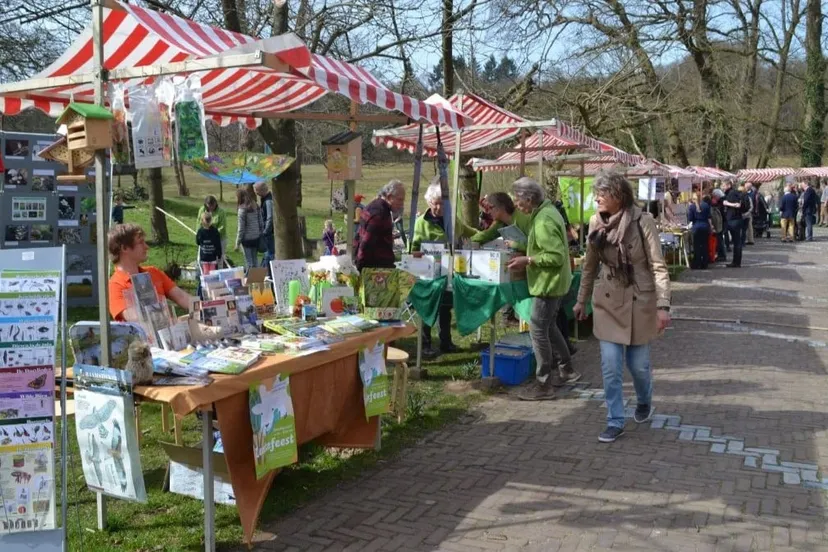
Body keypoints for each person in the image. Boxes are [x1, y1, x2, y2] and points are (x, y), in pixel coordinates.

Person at [573, 172, 671, 443]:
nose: (597, 199)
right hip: (607, 300)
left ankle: (644, 400)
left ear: (618, 195)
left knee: (639, 367)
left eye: (602, 194)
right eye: (596, 194)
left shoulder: (643, 221)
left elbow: (658, 266)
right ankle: (615, 420)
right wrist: (581, 300)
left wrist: (663, 305)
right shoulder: (595, 222)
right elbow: (589, 267)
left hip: (641, 300)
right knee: (611, 366)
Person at [506, 177, 580, 401]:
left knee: (537, 329)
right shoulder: (546, 212)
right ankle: (567, 369)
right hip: (555, 282)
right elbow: (544, 244)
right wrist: (520, 246)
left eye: (518, 201)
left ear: (529, 199)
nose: (517, 206)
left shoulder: (543, 220)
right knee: (548, 327)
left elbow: (555, 256)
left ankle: (543, 383)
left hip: (549, 283)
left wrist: (527, 260)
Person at [410, 181, 458, 357]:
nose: (439, 207)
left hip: (447, 271)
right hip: (427, 273)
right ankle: (425, 345)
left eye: (442, 203)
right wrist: (417, 253)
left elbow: (467, 231)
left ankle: (446, 341)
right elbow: (412, 247)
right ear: (429, 203)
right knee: (427, 308)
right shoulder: (421, 223)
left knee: (445, 308)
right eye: (435, 203)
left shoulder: (451, 219)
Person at [108, 223, 193, 321]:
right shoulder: (115, 285)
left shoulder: (153, 272)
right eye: (141, 242)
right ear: (124, 248)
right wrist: (179, 321)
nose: (146, 247)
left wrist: (207, 307)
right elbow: (137, 319)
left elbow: (182, 297)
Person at [355, 180, 405, 271]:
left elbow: (359, 235)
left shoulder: (373, 205)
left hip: (373, 265)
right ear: (390, 197)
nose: (402, 204)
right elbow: (366, 243)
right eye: (400, 199)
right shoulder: (380, 213)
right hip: (375, 269)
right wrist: (359, 268)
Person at [235, 188, 264, 271]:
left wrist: (237, 243)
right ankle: (257, 280)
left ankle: (250, 281)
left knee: (249, 262)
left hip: (246, 239)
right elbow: (261, 222)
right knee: (255, 261)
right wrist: (260, 233)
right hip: (256, 237)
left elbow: (241, 228)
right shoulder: (255, 206)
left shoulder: (242, 210)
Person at [196, 212, 222, 298]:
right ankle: (209, 294)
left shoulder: (200, 231)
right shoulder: (215, 231)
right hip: (211, 258)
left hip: (205, 258)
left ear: (202, 221)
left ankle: (207, 295)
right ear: (211, 220)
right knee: (211, 277)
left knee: (206, 277)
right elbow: (218, 244)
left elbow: (197, 242)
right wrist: (219, 254)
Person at [196, 195, 227, 264]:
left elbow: (222, 227)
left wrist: (213, 235)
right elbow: (199, 222)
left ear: (215, 203)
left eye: (212, 205)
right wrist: (200, 234)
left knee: (219, 260)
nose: (210, 207)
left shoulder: (221, 212)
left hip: (219, 239)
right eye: (209, 205)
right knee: (201, 259)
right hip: (205, 239)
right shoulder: (202, 210)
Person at [722, 181, 745, 268]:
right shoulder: (735, 193)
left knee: (736, 242)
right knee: (737, 242)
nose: (723, 187)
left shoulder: (731, 194)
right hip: (737, 219)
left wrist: (727, 203)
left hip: (733, 220)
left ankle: (736, 262)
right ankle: (736, 262)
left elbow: (737, 205)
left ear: (729, 185)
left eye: (723, 185)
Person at [687, 193, 712, 269]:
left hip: (696, 227)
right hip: (705, 226)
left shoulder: (692, 207)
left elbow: (690, 218)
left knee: (697, 246)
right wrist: (711, 227)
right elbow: (709, 217)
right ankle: (705, 263)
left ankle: (697, 263)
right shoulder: (706, 205)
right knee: (705, 245)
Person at [254, 182, 276, 266]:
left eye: (256, 190)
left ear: (261, 190)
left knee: (270, 254)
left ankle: (269, 273)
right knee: (267, 254)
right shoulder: (264, 199)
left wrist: (266, 231)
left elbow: (270, 218)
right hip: (267, 232)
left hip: (269, 233)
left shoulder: (268, 201)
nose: (256, 193)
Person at [710, 190, 726, 263]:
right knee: (720, 240)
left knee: (719, 240)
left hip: (720, 224)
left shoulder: (720, 202)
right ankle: (721, 255)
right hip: (722, 223)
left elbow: (719, 214)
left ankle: (722, 256)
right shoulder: (723, 201)